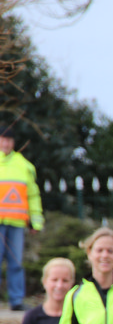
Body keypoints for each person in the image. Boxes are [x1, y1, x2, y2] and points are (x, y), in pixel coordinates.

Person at [0, 125, 44, 311]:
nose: (6, 143)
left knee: (16, 263)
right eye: (3, 139)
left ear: (13, 142)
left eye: (9, 140)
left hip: (17, 222)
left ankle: (16, 300)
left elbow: (33, 196)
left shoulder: (24, 166)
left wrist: (35, 221)